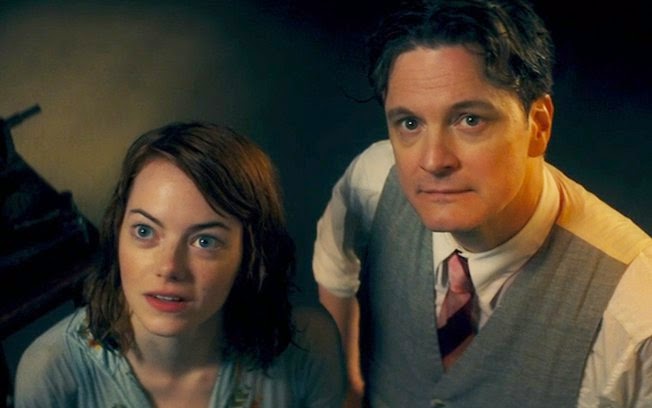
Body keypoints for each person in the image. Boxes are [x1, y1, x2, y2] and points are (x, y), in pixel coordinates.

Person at [312, 0, 652, 407]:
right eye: (410, 123)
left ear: (539, 125)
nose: (433, 160)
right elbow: (334, 267)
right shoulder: (372, 181)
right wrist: (348, 388)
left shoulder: (635, 311)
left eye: (470, 120)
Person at [15, 121, 346, 407]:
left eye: (205, 241)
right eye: (145, 231)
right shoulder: (51, 370)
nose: (169, 267)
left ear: (250, 253)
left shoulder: (308, 348)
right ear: (118, 232)